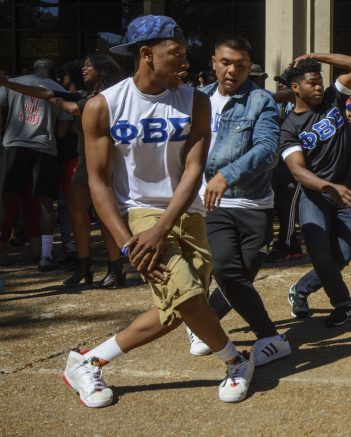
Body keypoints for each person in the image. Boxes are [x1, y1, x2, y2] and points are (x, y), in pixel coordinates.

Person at [66, 15, 254, 408]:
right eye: (176, 53)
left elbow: (193, 168)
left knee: (180, 307)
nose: (185, 62)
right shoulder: (102, 107)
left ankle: (87, 361)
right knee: (185, 296)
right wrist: (129, 243)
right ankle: (237, 361)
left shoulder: (195, 101)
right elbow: (98, 183)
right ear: (147, 54)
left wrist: (164, 226)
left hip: (188, 212)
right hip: (140, 213)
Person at [186, 35, 290, 366]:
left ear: (249, 67)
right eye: (226, 63)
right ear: (214, 63)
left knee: (239, 277)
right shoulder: (195, 98)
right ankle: (271, 337)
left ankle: (204, 322)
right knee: (228, 270)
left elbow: (267, 150)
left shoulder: (261, 101)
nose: (233, 70)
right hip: (213, 203)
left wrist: (227, 174)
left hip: (254, 204)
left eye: (241, 65)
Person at [0, 54, 126, 286]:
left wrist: (55, 101)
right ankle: (84, 267)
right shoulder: (85, 95)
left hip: (106, 163)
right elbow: (47, 94)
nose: (84, 69)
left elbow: (71, 108)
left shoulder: (110, 97)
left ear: (102, 70)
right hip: (85, 163)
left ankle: (115, 268)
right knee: (76, 211)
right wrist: (7, 83)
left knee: (105, 216)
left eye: (89, 65)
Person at [278, 51, 351, 325]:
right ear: (295, 88)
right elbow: (298, 170)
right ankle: (343, 304)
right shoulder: (289, 127)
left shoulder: (333, 98)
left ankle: (300, 290)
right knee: (318, 250)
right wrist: (329, 187)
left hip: (347, 192)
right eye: (311, 83)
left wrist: (314, 55)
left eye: (319, 82)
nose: (318, 87)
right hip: (316, 196)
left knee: (342, 256)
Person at [0, 59, 74, 270]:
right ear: (52, 74)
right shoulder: (58, 89)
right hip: (45, 149)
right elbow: (61, 131)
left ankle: (2, 250)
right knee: (45, 203)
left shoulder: (14, 83)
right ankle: (45, 255)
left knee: (6, 200)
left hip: (13, 145)